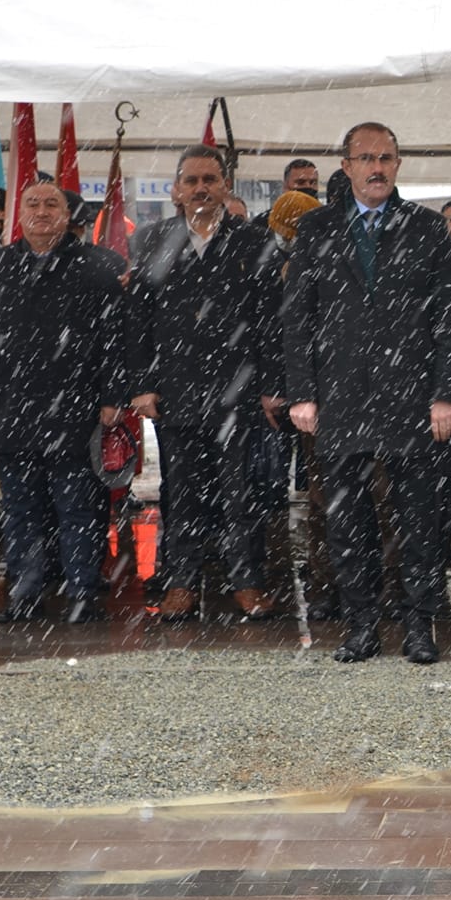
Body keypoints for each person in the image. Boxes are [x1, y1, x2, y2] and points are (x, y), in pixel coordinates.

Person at [282, 122, 451, 666]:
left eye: (386, 157)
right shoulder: (316, 228)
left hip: (412, 398)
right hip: (340, 396)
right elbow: (298, 316)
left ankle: (417, 627)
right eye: (366, 158)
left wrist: (445, 393)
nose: (377, 167)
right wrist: (301, 393)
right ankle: (360, 626)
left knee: (419, 521)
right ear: (346, 166)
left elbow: (449, 319)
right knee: (346, 520)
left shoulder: (427, 229)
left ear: (399, 164)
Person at [0, 181, 128, 624]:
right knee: (20, 512)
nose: (42, 211)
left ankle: (82, 594)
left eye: (52, 204)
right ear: (20, 214)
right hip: (12, 408)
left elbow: (114, 338)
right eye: (32, 203)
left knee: (78, 510)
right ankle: (26, 593)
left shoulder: (97, 266)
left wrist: (113, 396)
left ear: (68, 215)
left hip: (75, 407)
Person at [126, 148, 286, 622]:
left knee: (240, 492)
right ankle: (181, 583)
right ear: (176, 190)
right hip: (175, 389)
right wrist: (141, 384)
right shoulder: (153, 241)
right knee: (180, 492)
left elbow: (269, 322)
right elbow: (138, 320)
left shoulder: (254, 241)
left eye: (210, 180)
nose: (201, 188)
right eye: (191, 180)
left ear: (225, 187)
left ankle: (245, 582)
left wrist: (272, 384)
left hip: (238, 389)